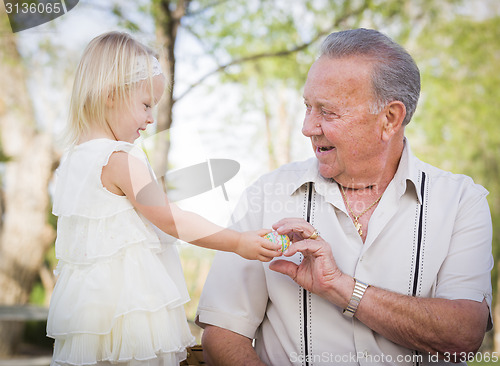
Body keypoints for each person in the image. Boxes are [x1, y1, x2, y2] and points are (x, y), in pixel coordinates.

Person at [196, 28, 493, 365]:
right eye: (308, 106)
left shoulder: (461, 201)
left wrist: (340, 287)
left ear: (390, 119)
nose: (308, 127)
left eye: (328, 112)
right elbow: (222, 333)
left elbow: (463, 334)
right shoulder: (266, 194)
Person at [46, 31, 282, 366]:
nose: (151, 119)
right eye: (145, 105)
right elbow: (172, 220)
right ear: (111, 95)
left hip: (89, 317)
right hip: (130, 316)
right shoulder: (121, 159)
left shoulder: (73, 162)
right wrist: (238, 241)